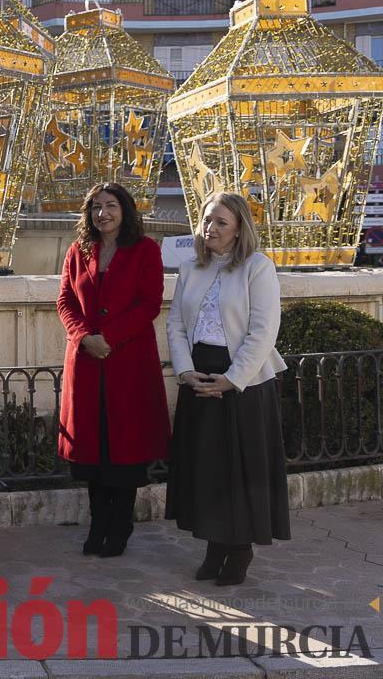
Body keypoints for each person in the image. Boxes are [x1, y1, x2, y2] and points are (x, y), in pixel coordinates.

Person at [165, 192, 290, 586]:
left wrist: (232, 379)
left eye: (220, 221)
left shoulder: (258, 267)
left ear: (239, 229)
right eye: (206, 220)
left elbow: (262, 332)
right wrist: (185, 372)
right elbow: (176, 326)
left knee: (240, 470)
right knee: (206, 470)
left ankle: (240, 548)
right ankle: (214, 544)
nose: (210, 228)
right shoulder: (190, 268)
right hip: (198, 378)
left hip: (244, 383)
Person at [57, 182, 170, 558]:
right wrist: (84, 336)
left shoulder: (146, 250)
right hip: (87, 362)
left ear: (125, 210)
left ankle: (120, 524)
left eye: (110, 206)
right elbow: (65, 300)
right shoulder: (78, 250)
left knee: (124, 449)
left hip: (128, 363)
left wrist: (110, 337)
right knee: (93, 450)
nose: (102, 213)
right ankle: (97, 523)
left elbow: (149, 303)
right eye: (95, 207)